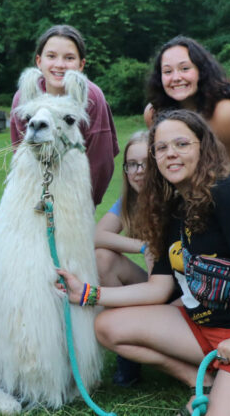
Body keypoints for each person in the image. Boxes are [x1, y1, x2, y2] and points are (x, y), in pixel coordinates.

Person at [60, 110, 230, 416]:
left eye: (181, 144)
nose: (170, 154)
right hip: (202, 326)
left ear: (203, 147)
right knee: (108, 326)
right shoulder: (170, 206)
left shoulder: (228, 192)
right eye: (161, 148)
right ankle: (207, 382)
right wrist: (87, 294)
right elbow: (159, 288)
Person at [9, 24, 119, 207]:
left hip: (76, 195)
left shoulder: (91, 98)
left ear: (81, 64)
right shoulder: (25, 97)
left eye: (69, 58)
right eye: (51, 56)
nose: (59, 65)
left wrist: (85, 205)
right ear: (39, 61)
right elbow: (21, 150)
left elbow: (100, 160)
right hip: (35, 194)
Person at [93, 131, 151, 386]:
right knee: (103, 258)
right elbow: (97, 236)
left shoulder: (177, 196)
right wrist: (143, 247)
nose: (138, 171)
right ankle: (126, 357)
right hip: (156, 281)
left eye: (146, 163)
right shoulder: (131, 200)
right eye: (132, 165)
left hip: (185, 290)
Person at [144, 36, 230, 168]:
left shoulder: (227, 112)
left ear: (201, 71)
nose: (176, 78)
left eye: (185, 69)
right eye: (167, 71)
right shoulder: (154, 113)